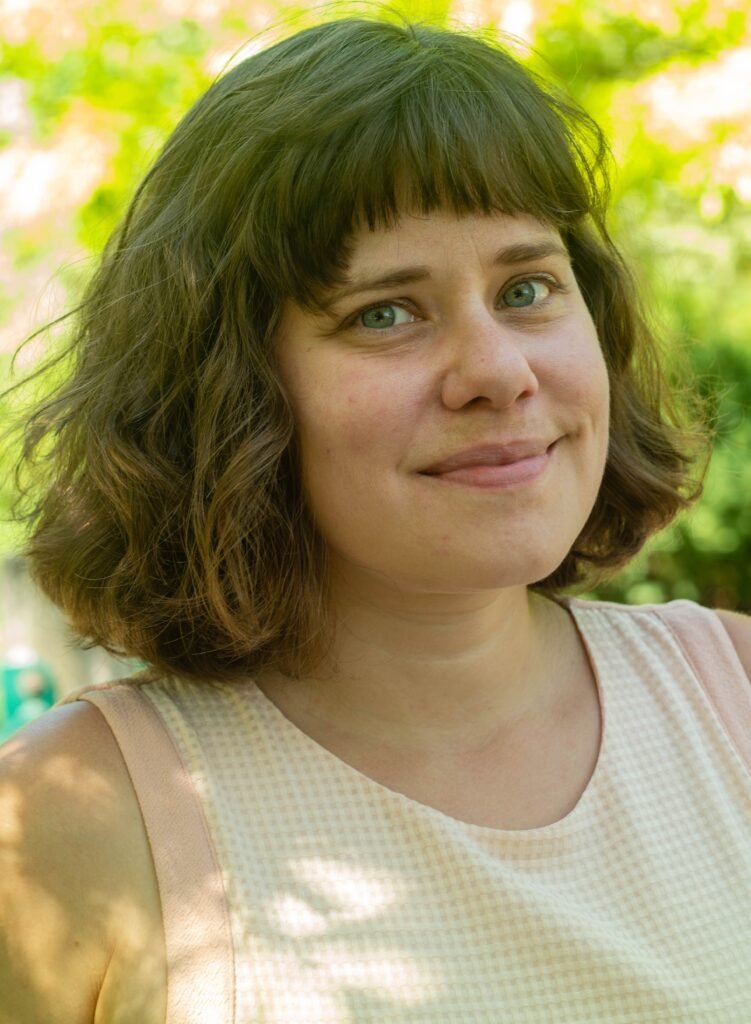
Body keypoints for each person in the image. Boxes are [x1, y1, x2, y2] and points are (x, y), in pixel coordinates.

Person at [1, 13, 750, 1023]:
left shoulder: (732, 701)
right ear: (229, 389)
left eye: (527, 287)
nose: (496, 369)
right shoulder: (62, 825)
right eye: (384, 312)